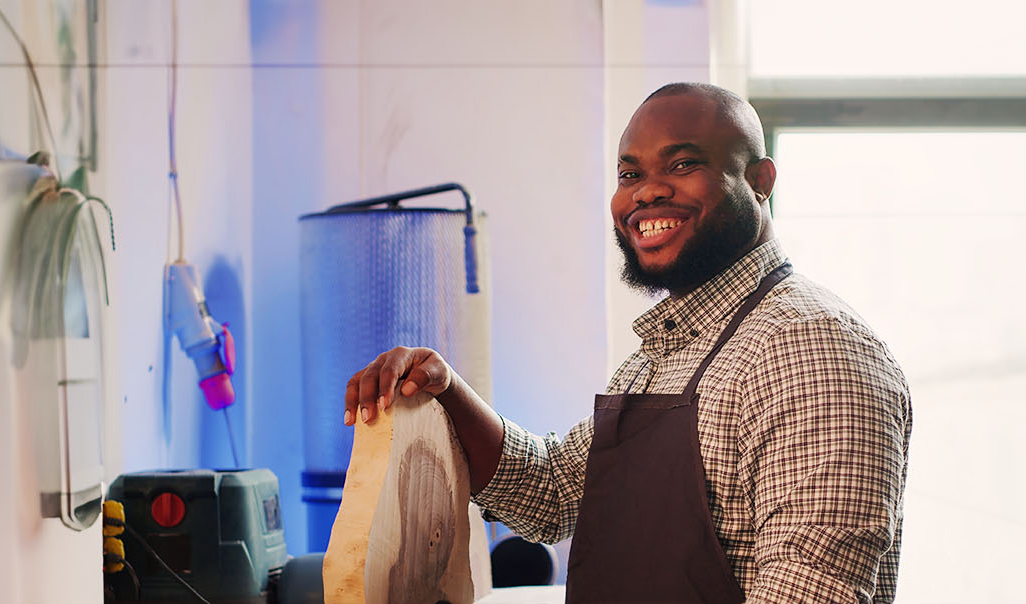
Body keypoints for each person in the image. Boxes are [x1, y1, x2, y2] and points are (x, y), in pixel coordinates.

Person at [343, 82, 912, 603]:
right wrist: (446, 388)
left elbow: (812, 593)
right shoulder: (666, 352)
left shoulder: (809, 348)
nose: (647, 194)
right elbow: (553, 493)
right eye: (630, 174)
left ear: (760, 182)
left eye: (683, 163)